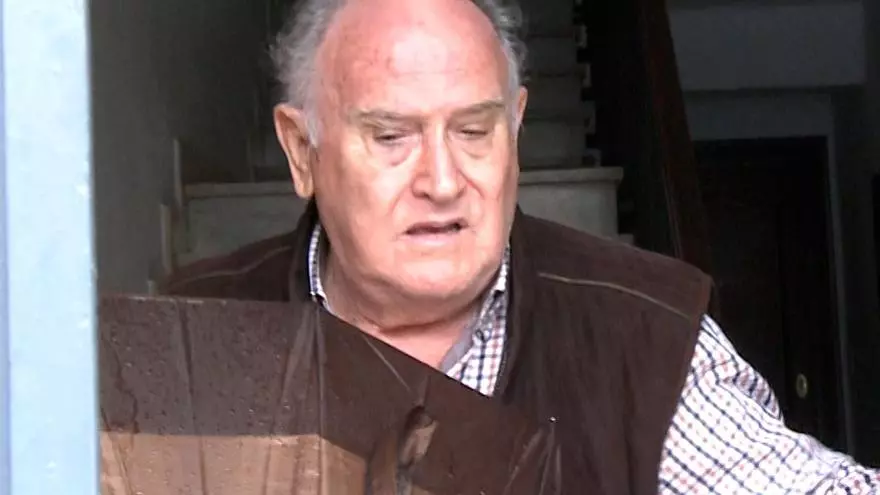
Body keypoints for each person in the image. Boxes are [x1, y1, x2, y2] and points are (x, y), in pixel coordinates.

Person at [162, 0, 880, 492]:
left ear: (517, 126)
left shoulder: (640, 335)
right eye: (392, 137)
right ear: (301, 151)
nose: (443, 181)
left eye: (474, 131)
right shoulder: (190, 337)